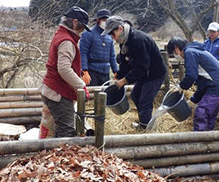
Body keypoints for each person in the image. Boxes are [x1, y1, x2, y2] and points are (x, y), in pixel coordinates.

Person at [102, 16, 166, 130]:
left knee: (145, 101)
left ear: (120, 29)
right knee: (135, 95)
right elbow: (125, 63)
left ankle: (147, 129)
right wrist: (119, 76)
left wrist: (125, 80)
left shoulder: (138, 40)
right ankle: (144, 122)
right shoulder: (124, 41)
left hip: (154, 73)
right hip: (143, 73)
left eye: (112, 33)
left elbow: (142, 67)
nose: (112, 37)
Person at [39, 6, 90, 138]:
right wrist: (81, 85)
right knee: (67, 130)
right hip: (58, 92)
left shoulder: (60, 35)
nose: (82, 31)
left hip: (51, 88)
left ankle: (49, 153)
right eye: (81, 27)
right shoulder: (67, 41)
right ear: (74, 22)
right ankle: (62, 157)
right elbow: (64, 69)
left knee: (51, 128)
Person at [167, 37, 219, 131]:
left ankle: (198, 139)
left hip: (217, 85)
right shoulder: (195, 51)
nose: (174, 55)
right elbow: (202, 82)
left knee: (202, 112)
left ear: (176, 48)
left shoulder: (190, 52)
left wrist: (181, 87)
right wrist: (194, 100)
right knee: (210, 116)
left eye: (173, 53)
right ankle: (208, 139)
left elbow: (191, 76)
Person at [79, 9, 118, 86]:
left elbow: (112, 56)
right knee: (92, 95)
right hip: (92, 71)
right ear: (97, 20)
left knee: (105, 95)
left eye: (108, 20)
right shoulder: (88, 34)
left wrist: (115, 71)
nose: (106, 22)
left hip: (106, 71)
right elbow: (83, 53)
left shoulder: (109, 36)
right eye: (104, 19)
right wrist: (84, 71)